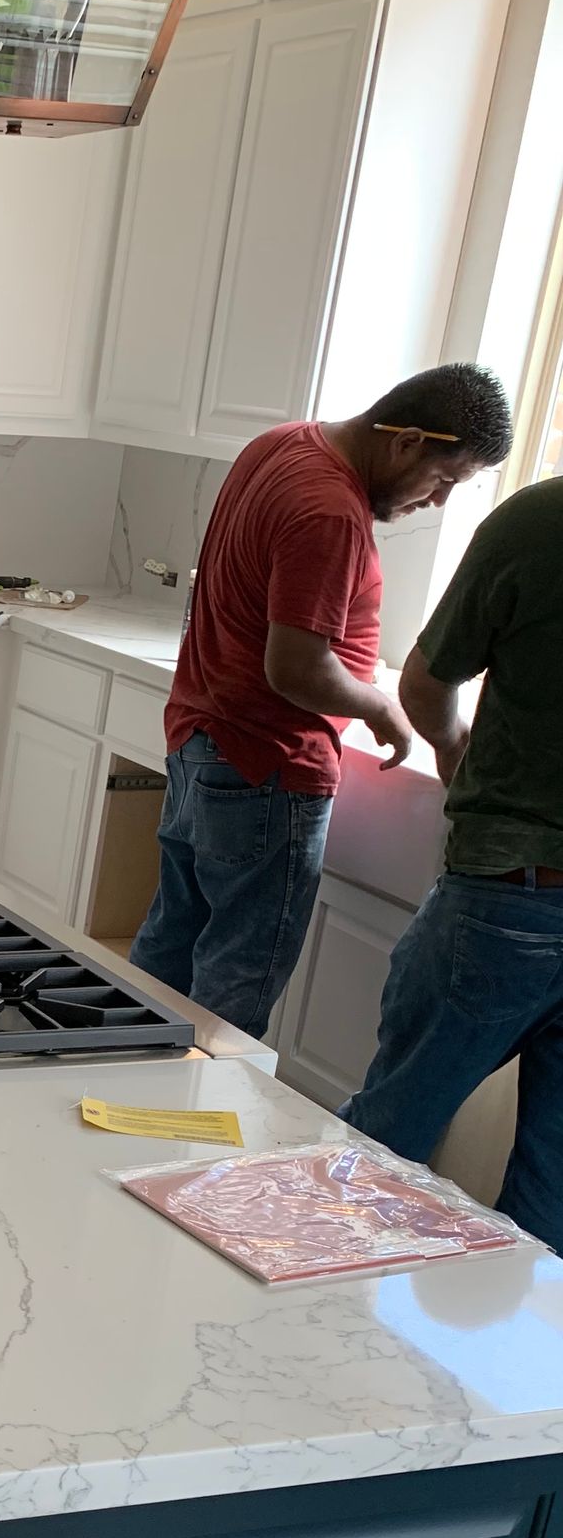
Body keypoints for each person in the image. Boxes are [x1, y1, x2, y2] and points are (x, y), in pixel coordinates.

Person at [127, 365, 513, 1039]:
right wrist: (381, 707)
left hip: (203, 741)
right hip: (266, 765)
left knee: (170, 942)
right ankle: (194, 1102)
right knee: (237, 976)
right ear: (407, 441)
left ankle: (117, 1077)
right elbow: (297, 669)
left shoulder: (283, 442)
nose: (438, 501)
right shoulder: (330, 510)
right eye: (444, 479)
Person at [342, 478, 563, 1253]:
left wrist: (453, 751)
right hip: (520, 886)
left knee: (384, 1138)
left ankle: (311, 1311)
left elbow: (428, 681)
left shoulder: (540, 518)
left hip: (513, 887)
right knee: (553, 1183)